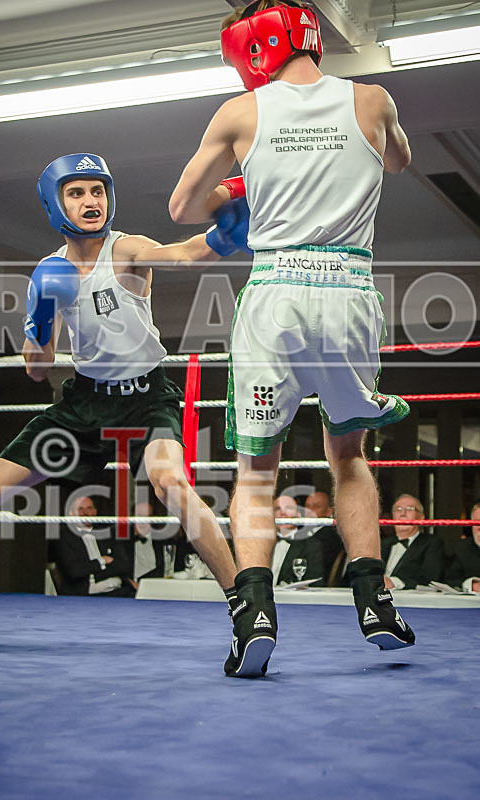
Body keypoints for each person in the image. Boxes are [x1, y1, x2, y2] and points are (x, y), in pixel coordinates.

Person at [0, 152, 245, 639]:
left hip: (147, 398)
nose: (91, 201)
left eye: (98, 190)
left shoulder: (125, 250)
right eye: (77, 192)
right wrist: (39, 319)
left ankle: (242, 604)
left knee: (170, 482)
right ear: (55, 203)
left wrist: (222, 237)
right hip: (82, 403)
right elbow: (38, 369)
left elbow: (186, 254)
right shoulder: (48, 272)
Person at [169, 1, 415, 676]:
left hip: (274, 295)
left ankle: (252, 616)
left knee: (255, 471)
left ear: (253, 44)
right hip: (349, 293)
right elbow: (398, 162)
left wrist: (242, 184)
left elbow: (181, 208)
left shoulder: (239, 113)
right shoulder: (372, 99)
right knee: (347, 456)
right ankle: (373, 599)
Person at [48, 495, 135, 596]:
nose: (85, 513)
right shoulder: (64, 538)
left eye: (89, 508)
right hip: (86, 596)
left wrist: (94, 574)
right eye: (80, 509)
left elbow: (124, 565)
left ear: (95, 512)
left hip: (119, 592)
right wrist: (102, 560)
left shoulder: (107, 534)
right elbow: (75, 571)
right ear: (71, 514)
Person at [382, 494, 445, 589]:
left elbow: (430, 579)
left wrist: (395, 582)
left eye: (410, 509)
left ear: (421, 517)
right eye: (398, 509)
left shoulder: (433, 543)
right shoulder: (382, 544)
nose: (403, 513)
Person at [272, 494, 323, 586]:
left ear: (299, 515)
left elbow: (315, 585)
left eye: (289, 508)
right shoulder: (262, 545)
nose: (282, 512)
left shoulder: (311, 545)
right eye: (277, 509)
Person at [304, 490, 345, 585]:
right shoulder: (303, 533)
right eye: (307, 506)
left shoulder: (328, 537)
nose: (310, 511)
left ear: (329, 511)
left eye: (316, 506)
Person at [445, 502, 480, 592]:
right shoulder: (463, 548)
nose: (479, 527)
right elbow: (450, 580)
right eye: (476, 522)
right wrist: (472, 584)